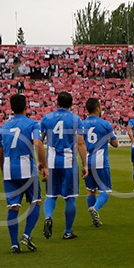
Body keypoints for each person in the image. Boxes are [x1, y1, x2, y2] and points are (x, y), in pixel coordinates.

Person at [0, 94, 46, 253]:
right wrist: (43, 165)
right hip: (26, 167)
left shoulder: (3, 127)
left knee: (13, 207)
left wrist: (3, 170)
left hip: (8, 169)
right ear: (26, 106)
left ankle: (13, 244)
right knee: (36, 201)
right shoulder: (32, 124)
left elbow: (0, 154)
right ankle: (26, 235)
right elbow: (38, 144)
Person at [40, 92, 87, 239]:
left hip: (52, 161)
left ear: (57, 103)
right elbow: (80, 143)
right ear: (71, 104)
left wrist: (41, 163)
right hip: (69, 162)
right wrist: (85, 164)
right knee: (70, 197)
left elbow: (40, 141)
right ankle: (67, 231)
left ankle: (48, 216)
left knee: (51, 195)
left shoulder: (46, 118)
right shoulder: (76, 119)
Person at [81, 98, 119, 226]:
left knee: (91, 190)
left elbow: (79, 143)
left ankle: (94, 219)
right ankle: (95, 209)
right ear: (97, 108)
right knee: (105, 190)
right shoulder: (105, 124)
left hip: (87, 161)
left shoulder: (82, 124)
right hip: (100, 161)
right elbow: (115, 143)